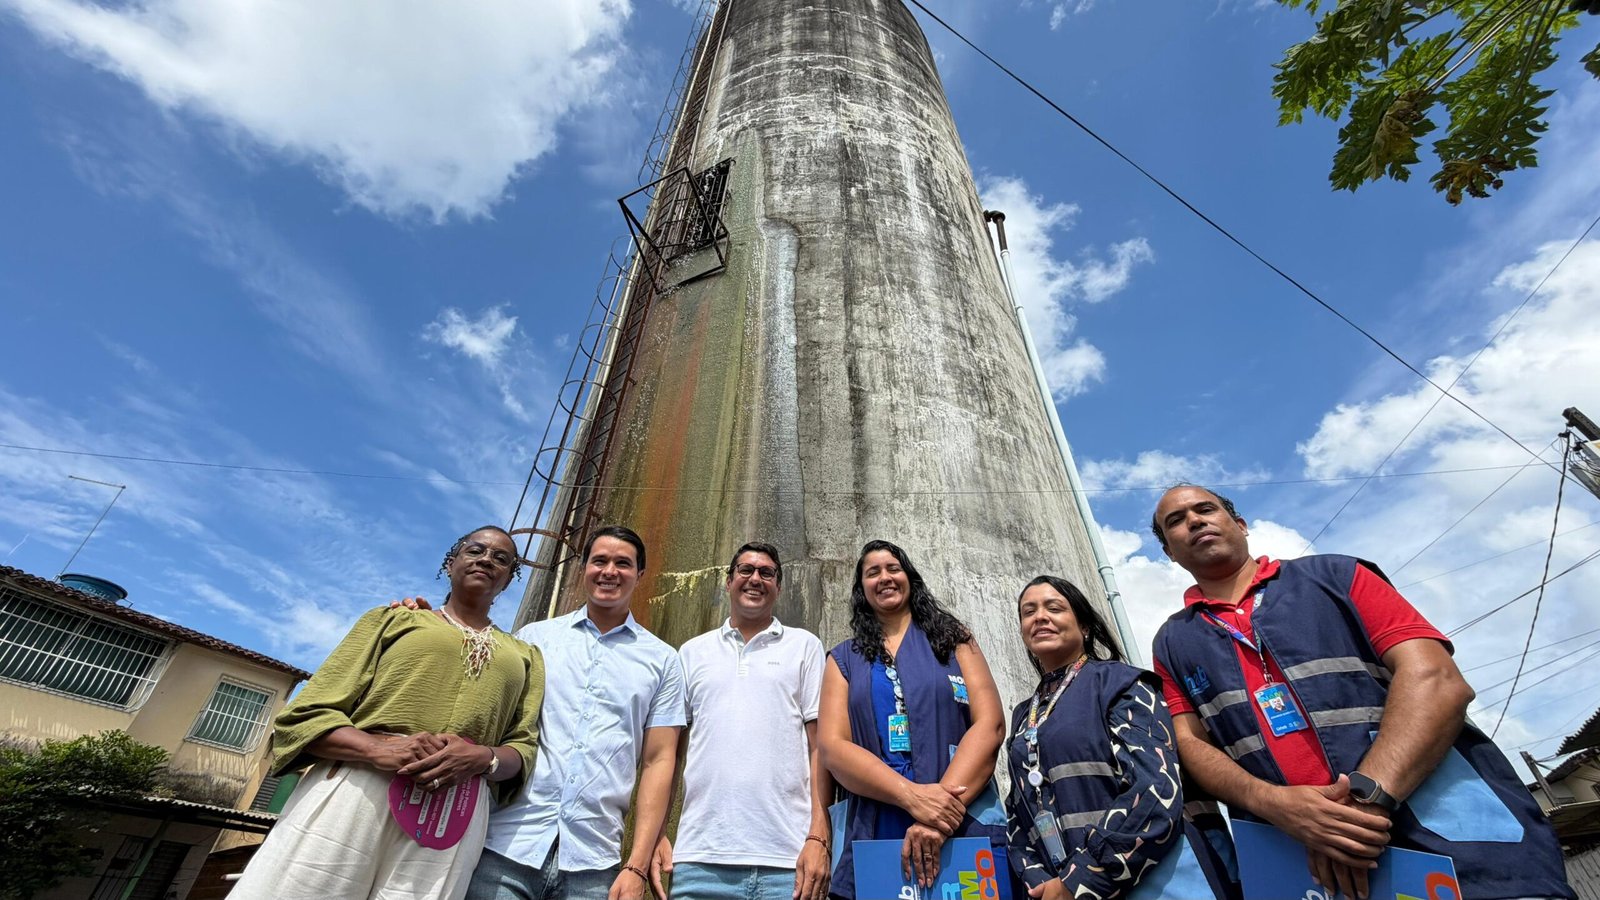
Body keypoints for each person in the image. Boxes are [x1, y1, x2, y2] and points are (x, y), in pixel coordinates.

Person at [1149, 484, 1576, 900]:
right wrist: (1274, 803)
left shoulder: (1337, 575)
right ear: (1169, 552)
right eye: (1176, 521)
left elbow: (1437, 679)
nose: (1194, 521)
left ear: (1240, 524)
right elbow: (1189, 743)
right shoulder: (1172, 641)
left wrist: (1362, 804)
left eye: (1205, 509)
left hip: (1456, 849)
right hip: (1303, 865)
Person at [231, 526, 545, 900]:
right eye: (475, 550)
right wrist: (376, 749)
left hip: (453, 808)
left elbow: (522, 747)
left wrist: (482, 758)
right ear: (450, 563)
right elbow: (306, 715)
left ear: (508, 580)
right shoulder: (393, 620)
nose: (487, 560)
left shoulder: (525, 656)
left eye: (501, 558)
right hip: (358, 786)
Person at [467, 524, 685, 900]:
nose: (609, 571)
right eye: (599, 561)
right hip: (506, 846)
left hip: (594, 862)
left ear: (640, 575)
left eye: (623, 563)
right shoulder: (536, 638)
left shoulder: (663, 660)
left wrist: (636, 864)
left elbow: (658, 761)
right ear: (583, 568)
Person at [1004, 574, 1232, 900]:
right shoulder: (1024, 715)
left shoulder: (1121, 683)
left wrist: (1082, 879)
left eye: (1054, 608)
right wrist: (1041, 881)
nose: (1039, 617)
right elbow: (1018, 812)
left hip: (1150, 883)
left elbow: (1156, 790)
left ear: (1084, 626)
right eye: (1029, 612)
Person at [817, 539, 1009, 898]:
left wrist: (940, 816)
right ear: (861, 589)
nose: (884, 578)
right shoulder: (844, 659)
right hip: (877, 825)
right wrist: (912, 797)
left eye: (894, 568)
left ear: (909, 577)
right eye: (872, 573)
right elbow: (833, 747)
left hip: (961, 813)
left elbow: (990, 724)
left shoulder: (954, 640)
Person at [652, 542, 833, 900]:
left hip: (788, 862)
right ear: (728, 581)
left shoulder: (804, 647)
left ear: (778, 586)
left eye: (766, 573)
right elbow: (668, 754)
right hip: (699, 863)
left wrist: (819, 836)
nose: (755, 579)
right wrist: (656, 834)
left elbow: (820, 749)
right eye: (746, 570)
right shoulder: (692, 652)